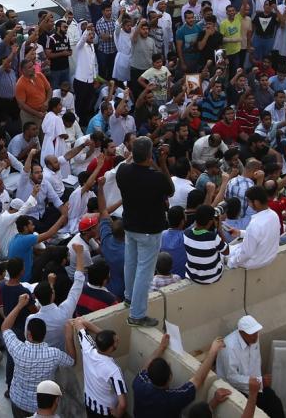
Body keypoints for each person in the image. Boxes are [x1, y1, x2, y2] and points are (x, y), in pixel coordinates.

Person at [116, 136, 174, 327]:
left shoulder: (122, 171)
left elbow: (133, 165)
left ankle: (129, 298)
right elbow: (170, 189)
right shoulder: (156, 177)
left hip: (130, 227)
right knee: (144, 271)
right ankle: (137, 314)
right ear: (150, 156)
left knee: (131, 264)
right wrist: (161, 163)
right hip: (149, 230)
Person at [2, 292, 76, 417]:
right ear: (44, 334)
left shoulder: (18, 349)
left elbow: (5, 328)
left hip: (18, 401)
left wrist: (19, 306)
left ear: (29, 334)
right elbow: (72, 361)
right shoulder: (54, 354)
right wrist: (68, 337)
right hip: (42, 407)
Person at [132, 334, 226, 418]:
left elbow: (146, 367)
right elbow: (198, 379)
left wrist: (161, 347)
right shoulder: (173, 399)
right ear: (170, 377)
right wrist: (213, 351)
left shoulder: (139, 383)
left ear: (150, 376)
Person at [217, 315, 286, 418]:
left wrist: (260, 382)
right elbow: (231, 378)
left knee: (275, 402)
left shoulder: (254, 339)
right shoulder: (230, 348)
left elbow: (256, 362)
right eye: (252, 334)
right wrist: (259, 382)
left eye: (256, 332)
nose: (255, 336)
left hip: (254, 385)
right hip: (236, 389)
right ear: (241, 333)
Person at [77, 318, 128, 418]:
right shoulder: (114, 370)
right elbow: (123, 404)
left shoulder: (87, 348)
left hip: (89, 403)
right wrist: (117, 414)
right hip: (106, 411)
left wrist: (104, 336)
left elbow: (79, 322)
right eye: (116, 341)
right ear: (110, 348)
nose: (118, 341)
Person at [227, 185, 281, 270]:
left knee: (224, 251)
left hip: (254, 263)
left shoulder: (255, 224)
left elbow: (246, 253)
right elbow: (262, 235)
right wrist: (240, 233)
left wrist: (232, 262)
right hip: (268, 258)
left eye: (248, 201)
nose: (248, 204)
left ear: (256, 202)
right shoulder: (274, 215)